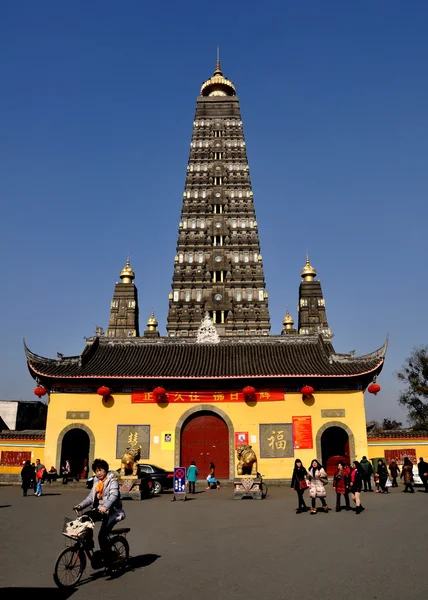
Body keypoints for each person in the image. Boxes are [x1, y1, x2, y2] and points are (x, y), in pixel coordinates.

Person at [74, 458, 125, 562]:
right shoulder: (96, 481)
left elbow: (114, 495)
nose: (99, 473)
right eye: (97, 471)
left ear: (106, 470)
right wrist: (80, 505)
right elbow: (90, 497)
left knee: (102, 536)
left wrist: (105, 506)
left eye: (101, 470)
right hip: (99, 510)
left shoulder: (112, 480)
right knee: (84, 519)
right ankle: (88, 543)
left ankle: (109, 560)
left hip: (112, 511)